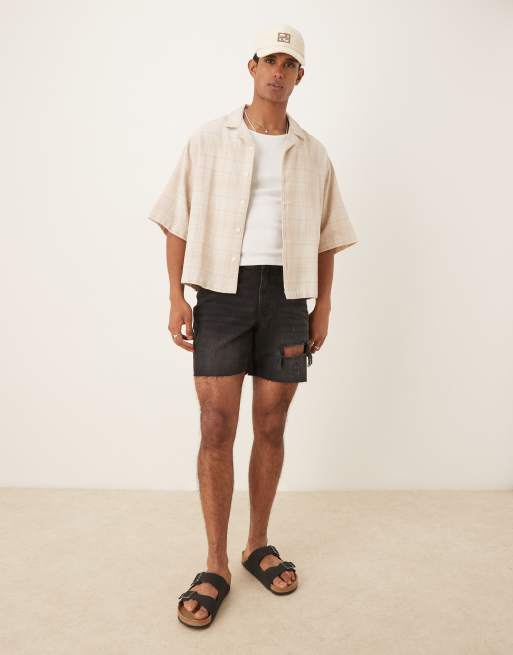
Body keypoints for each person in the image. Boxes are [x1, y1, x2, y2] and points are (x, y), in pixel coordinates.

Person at [147, 23, 358, 628]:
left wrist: (322, 305)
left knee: (272, 423)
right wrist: (175, 295)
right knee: (216, 424)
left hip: (288, 297)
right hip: (220, 291)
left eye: (289, 64)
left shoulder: (313, 152)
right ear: (252, 66)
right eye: (270, 60)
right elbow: (177, 219)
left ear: (299, 76)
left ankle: (256, 544)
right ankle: (214, 563)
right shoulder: (209, 139)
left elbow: (328, 236)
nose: (278, 72)